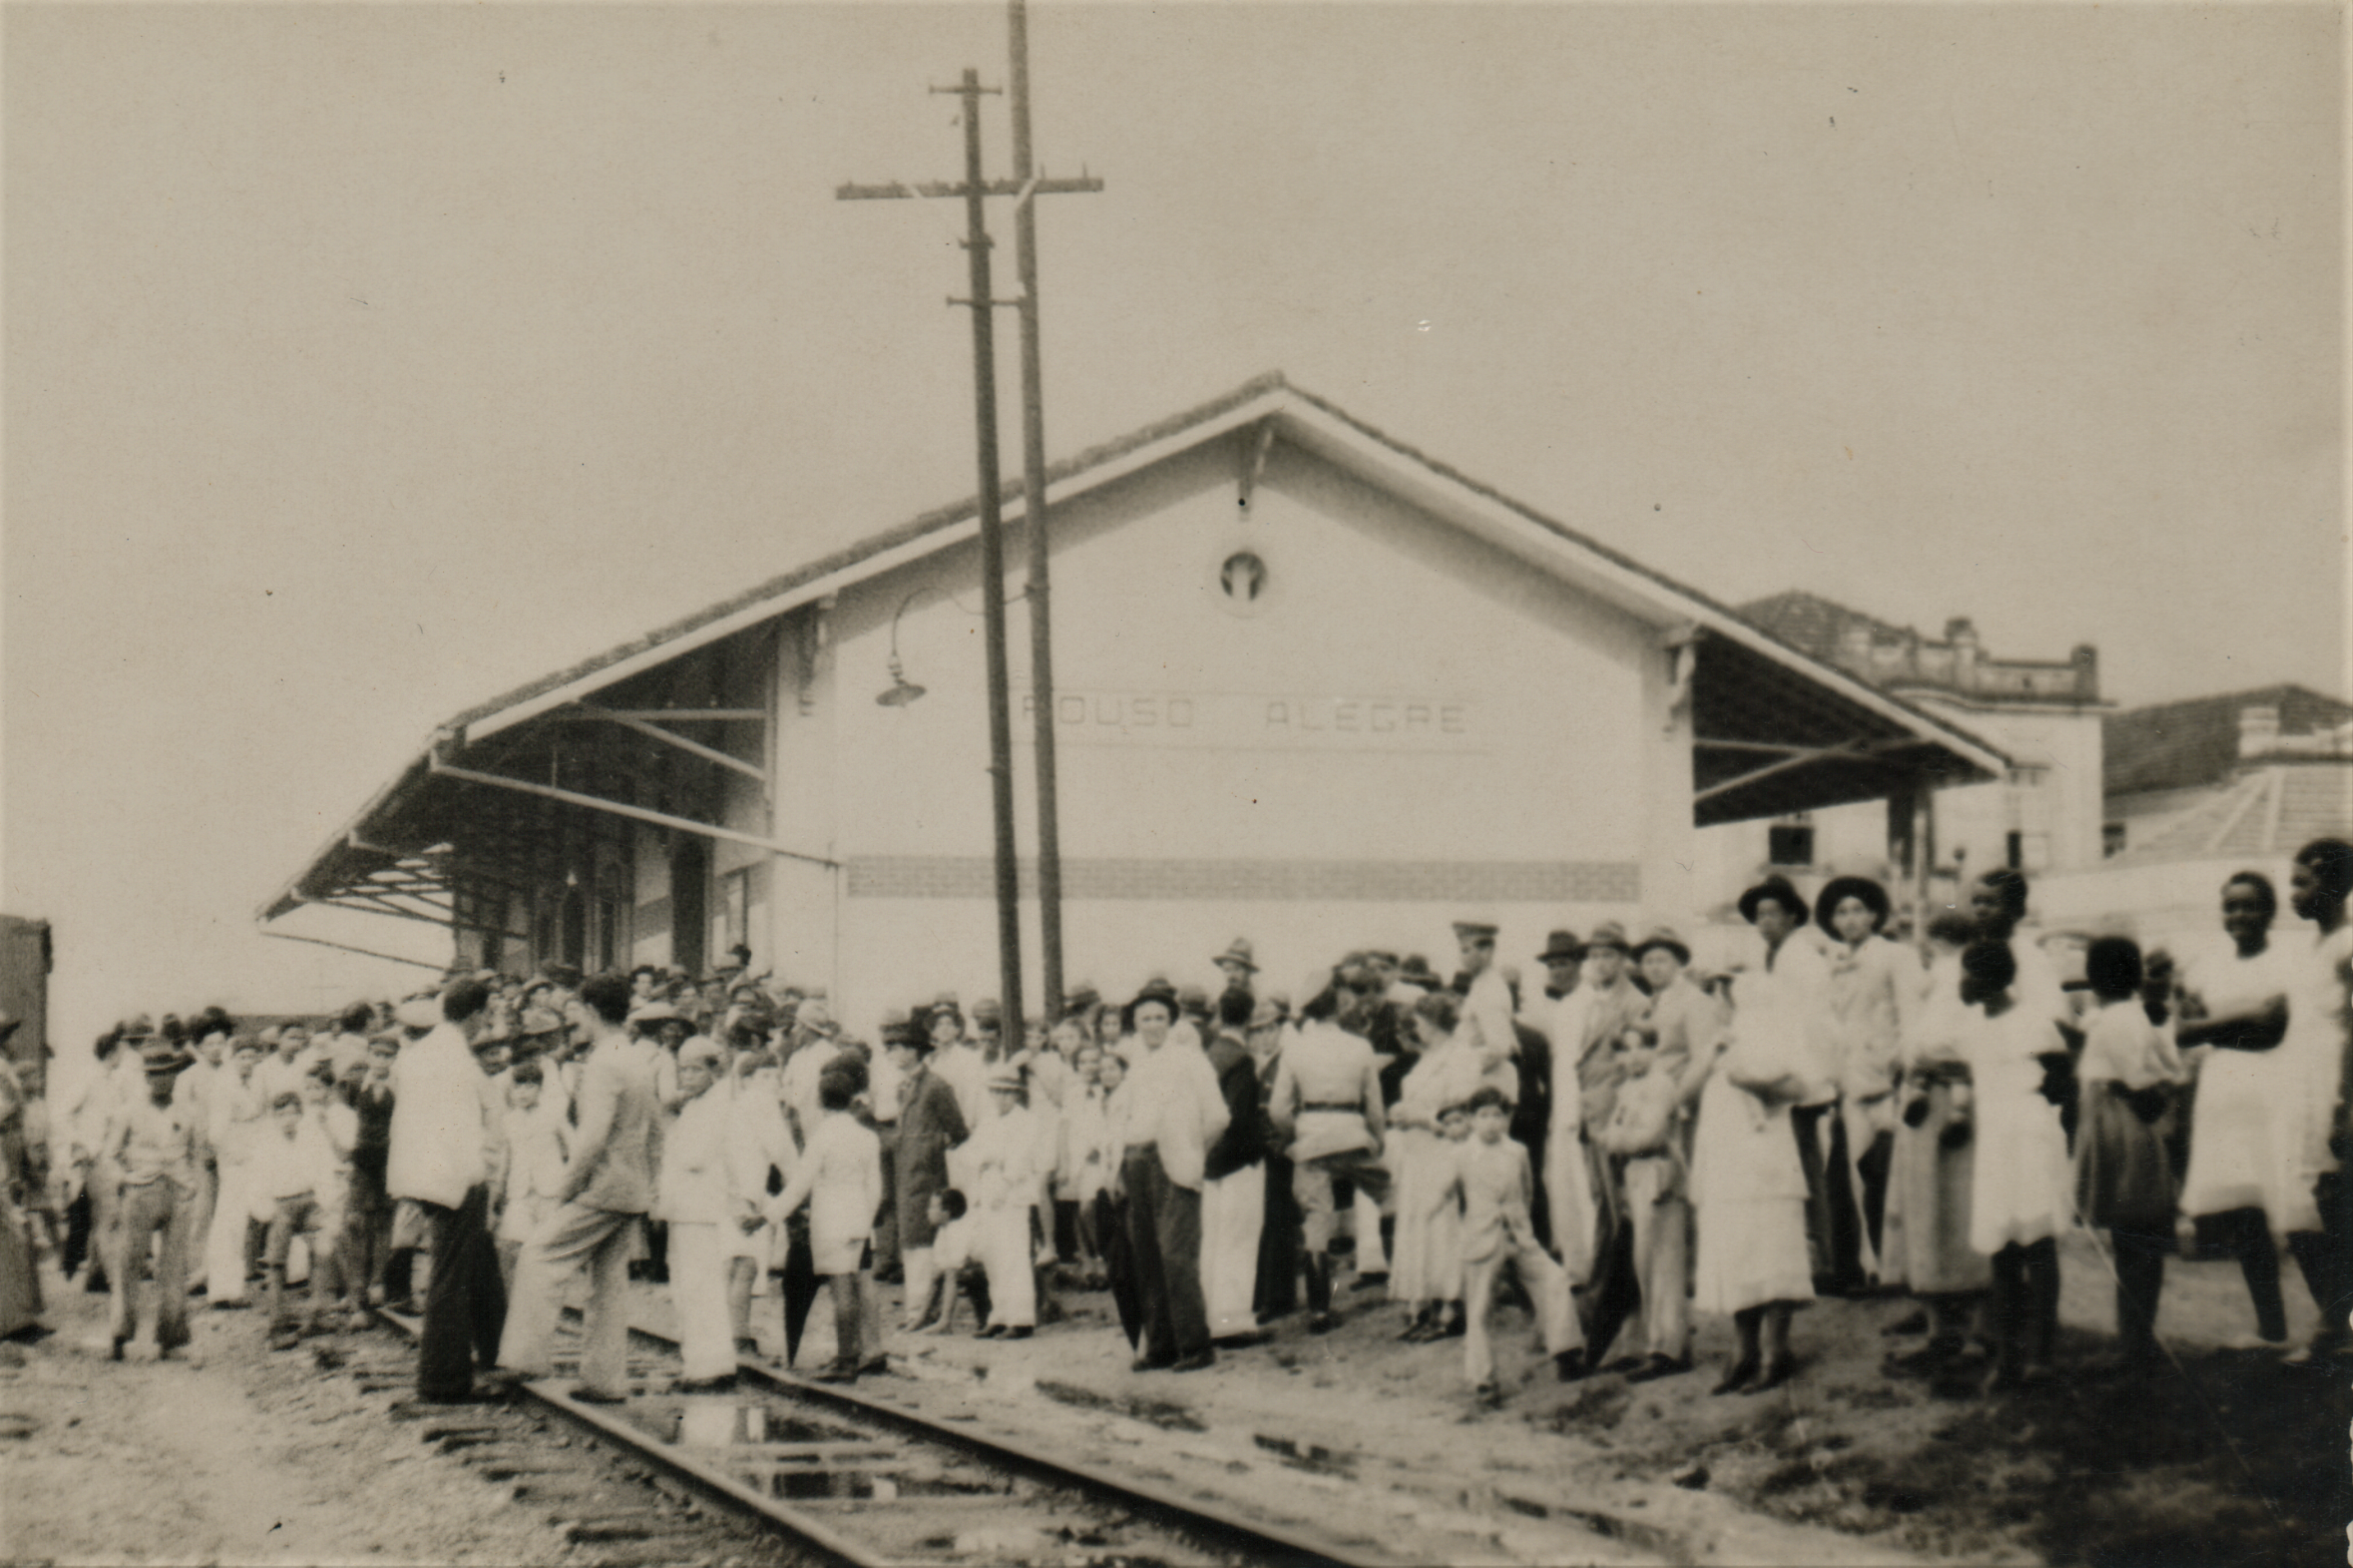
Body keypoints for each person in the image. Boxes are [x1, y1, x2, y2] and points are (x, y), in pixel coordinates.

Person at [497, 973, 661, 1402]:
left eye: (576, 1013)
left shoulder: (603, 1062)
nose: (575, 1022)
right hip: (631, 1187)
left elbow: (590, 1139)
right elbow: (656, 1129)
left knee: (537, 1254)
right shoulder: (638, 1057)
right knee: (608, 1286)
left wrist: (566, 1188)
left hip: (602, 1187)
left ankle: (524, 1359)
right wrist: (652, 1182)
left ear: (591, 1011)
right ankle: (604, 1381)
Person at [1687, 949, 1816, 1396]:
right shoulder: (1720, 1039)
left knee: (1771, 1247)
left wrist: (1754, 1082)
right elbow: (1686, 1092)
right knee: (1737, 1248)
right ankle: (1743, 1350)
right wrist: (1711, 1059)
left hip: (1765, 1158)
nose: (1720, 997)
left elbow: (1801, 1087)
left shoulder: (1774, 1031)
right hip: (1726, 1157)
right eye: (1715, 990)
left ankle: (1775, 1350)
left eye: (1726, 988)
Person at [1956, 940, 2071, 1391]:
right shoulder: (1972, 1024)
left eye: (1973, 973)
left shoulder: (2034, 1023)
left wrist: (2041, 1123)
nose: (1965, 982)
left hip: (2030, 1134)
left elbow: (2061, 1082)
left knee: (2037, 1243)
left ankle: (2041, 1357)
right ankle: (2007, 1356)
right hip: (1995, 1138)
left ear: (1997, 979)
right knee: (2001, 1246)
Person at [387, 979, 508, 1403]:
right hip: (458, 1178)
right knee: (451, 1276)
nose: (487, 1023)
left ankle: (498, 1352)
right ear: (475, 1015)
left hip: (419, 1174)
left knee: (480, 1262)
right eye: (486, 1015)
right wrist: (484, 1177)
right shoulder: (462, 1062)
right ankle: (442, 1381)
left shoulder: (415, 1055)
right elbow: (482, 1123)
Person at [2073, 937, 2186, 1373]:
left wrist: (2125, 1090)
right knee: (2136, 1239)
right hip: (2125, 1125)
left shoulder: (2119, 1020)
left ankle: (2136, 1342)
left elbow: (2144, 1080)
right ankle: (2135, 1339)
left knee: (2136, 1238)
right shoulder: (2124, 1016)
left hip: (2123, 1129)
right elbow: (2169, 1068)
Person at [1111, 983, 1229, 1371]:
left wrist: (1194, 1155)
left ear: (1171, 1021)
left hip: (1174, 1166)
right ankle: (1161, 1346)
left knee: (1176, 1255)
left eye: (1161, 1018)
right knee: (1145, 1257)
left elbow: (1217, 1117)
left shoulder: (1190, 1060)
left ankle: (1196, 1346)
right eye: (1146, 1018)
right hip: (1137, 1161)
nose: (1153, 1025)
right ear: (1135, 1023)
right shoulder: (1135, 1062)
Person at [1267, 967, 1389, 1333]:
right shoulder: (1360, 1046)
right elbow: (1375, 1107)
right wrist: (1376, 1140)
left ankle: (1320, 1310)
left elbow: (1278, 1110)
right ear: (1336, 1005)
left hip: (1313, 1138)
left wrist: (1294, 1138)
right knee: (1393, 1197)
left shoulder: (1295, 1049)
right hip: (1353, 1133)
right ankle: (1411, 1283)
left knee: (1316, 1222)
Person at [1444, 1087, 1583, 1400]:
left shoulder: (1517, 1151)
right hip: (1482, 1238)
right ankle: (1483, 1379)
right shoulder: (1461, 1154)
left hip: (1519, 1236)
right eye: (1483, 1116)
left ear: (1507, 1119)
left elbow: (1527, 1191)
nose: (1491, 1123)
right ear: (1470, 1120)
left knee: (1555, 1279)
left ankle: (1566, 1353)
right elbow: (1447, 1195)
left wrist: (1520, 1224)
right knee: (1479, 1309)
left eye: (1498, 1115)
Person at [2281, 839, 2353, 1366]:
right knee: (2303, 1209)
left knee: (2335, 1206)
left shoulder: (2349, 947)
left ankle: (2337, 1324)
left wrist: (2345, 1106)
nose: (2292, 893)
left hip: (2335, 1085)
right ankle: (2332, 1317)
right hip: (2301, 1086)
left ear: (2330, 884)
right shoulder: (2309, 948)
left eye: (2301, 882)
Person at [1816, 876, 1910, 1279]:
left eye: (1858, 910)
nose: (1850, 920)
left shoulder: (1895, 956)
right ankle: (1863, 1263)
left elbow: (1910, 1016)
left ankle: (1898, 1265)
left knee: (1891, 1174)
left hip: (1887, 1078)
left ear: (1874, 914)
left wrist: (1898, 1065)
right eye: (1841, 912)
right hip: (1846, 1080)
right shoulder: (1829, 962)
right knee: (1851, 1174)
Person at [1596, 1012, 1697, 1382]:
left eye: (1642, 1048)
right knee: (1644, 1263)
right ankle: (1650, 1344)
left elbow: (1648, 1136)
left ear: (1655, 1050)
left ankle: (1670, 1348)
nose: (1633, 1057)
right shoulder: (1627, 1089)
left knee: (1664, 1262)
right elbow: (1609, 1134)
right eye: (1625, 1050)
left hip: (1659, 1173)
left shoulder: (1660, 1084)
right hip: (1636, 1175)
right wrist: (1616, 1138)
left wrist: (1616, 1139)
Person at [769, 1063, 886, 1381]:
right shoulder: (867, 1137)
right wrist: (866, 1217)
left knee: (841, 1290)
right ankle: (855, 1354)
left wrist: (771, 1215)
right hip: (858, 1217)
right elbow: (875, 1187)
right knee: (852, 1282)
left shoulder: (822, 1137)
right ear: (851, 1100)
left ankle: (846, 1359)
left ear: (820, 1102)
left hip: (830, 1219)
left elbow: (800, 1186)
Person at [658, 1039, 749, 1392]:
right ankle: (698, 1363)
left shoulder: (717, 1106)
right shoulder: (696, 1105)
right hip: (685, 1207)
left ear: (715, 1070)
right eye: (683, 1069)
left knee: (701, 1288)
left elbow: (695, 1156)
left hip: (700, 1208)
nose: (688, 1076)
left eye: (696, 1069)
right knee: (687, 1288)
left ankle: (711, 1366)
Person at [105, 1037, 201, 1360]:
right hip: (141, 1190)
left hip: (177, 1190)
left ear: (176, 1076)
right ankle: (121, 1334)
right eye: (155, 1073)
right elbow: (112, 1154)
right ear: (146, 1077)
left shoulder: (187, 1112)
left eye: (169, 1073)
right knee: (128, 1263)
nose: (162, 1079)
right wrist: (126, 1179)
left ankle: (171, 1337)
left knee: (174, 1266)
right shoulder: (128, 1111)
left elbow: (198, 1153)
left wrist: (192, 1184)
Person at [1389, 990, 1476, 1341]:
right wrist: (1401, 1112)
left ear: (1436, 1021)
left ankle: (1451, 1307)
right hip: (1417, 1154)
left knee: (1443, 1226)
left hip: (1443, 1151)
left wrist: (1419, 1117)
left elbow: (1459, 1115)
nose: (1417, 1028)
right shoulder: (1426, 1058)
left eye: (1421, 1022)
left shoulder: (1461, 1056)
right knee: (1417, 1226)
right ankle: (1421, 1304)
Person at [891, 1017, 968, 1332]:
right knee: (910, 1242)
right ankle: (916, 1309)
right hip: (905, 1174)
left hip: (927, 1177)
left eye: (898, 1048)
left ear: (913, 1051)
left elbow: (959, 1131)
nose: (894, 1055)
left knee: (924, 1242)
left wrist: (931, 1146)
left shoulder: (936, 1086)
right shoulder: (903, 1087)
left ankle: (921, 1311)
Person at [1199, 989, 1266, 1344]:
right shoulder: (1241, 1059)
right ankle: (1233, 1322)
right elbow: (1238, 1119)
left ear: (1219, 1015)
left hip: (1210, 1162)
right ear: (1251, 1018)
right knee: (1238, 1240)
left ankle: (1213, 1316)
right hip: (1238, 1161)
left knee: (1214, 1241)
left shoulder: (1209, 1055)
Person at [956, 1064, 1039, 1339]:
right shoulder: (989, 1120)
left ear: (1016, 1095)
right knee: (993, 1256)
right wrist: (987, 1160)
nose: (1002, 1098)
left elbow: (1019, 1160)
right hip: (987, 1188)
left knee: (1013, 1255)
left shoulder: (1025, 1121)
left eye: (1008, 1093)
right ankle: (999, 1315)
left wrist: (1003, 1175)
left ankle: (1021, 1319)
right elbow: (971, 1153)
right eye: (998, 1092)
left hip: (1011, 1193)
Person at [253, 1089, 338, 1349]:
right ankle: (277, 1325)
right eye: (282, 1114)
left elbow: (326, 1170)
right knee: (276, 1263)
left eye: (293, 1113)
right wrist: (267, 1211)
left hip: (309, 1202)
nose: (288, 1119)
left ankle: (319, 1315)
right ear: (274, 1117)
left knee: (324, 1250)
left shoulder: (312, 1137)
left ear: (300, 1114)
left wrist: (324, 1202)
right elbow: (255, 1183)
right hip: (281, 1205)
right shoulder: (265, 1142)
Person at [496, 1062, 570, 1295]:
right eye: (517, 1087)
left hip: (551, 1192)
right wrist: (499, 1190)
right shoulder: (509, 1120)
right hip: (519, 1192)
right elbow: (505, 1157)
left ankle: (543, 1302)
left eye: (529, 1087)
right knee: (511, 1246)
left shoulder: (553, 1115)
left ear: (540, 1090)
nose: (522, 1093)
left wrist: (569, 1184)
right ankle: (512, 1304)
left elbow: (575, 1147)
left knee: (546, 1251)